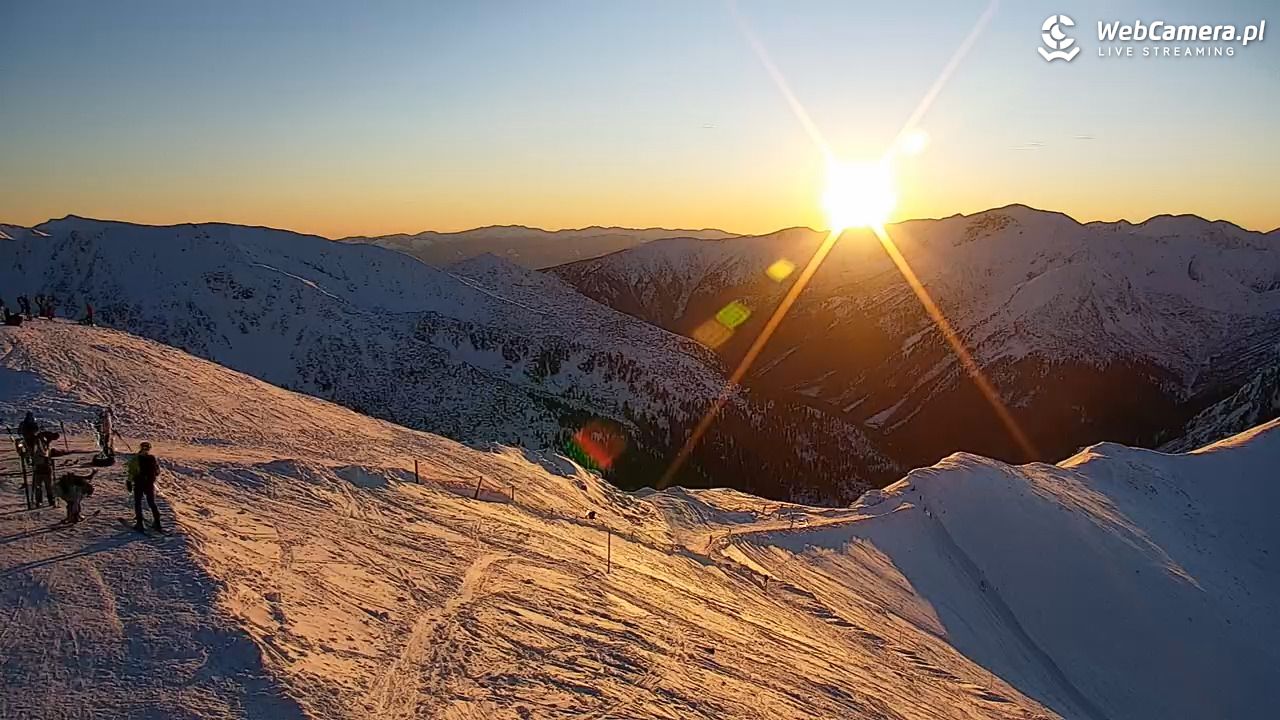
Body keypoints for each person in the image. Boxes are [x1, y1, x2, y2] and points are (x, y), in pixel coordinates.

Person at [127, 442, 162, 531]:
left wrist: (129, 482)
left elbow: (132, 471)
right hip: (149, 483)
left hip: (139, 483)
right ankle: (157, 523)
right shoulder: (152, 458)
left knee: (138, 502)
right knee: (151, 502)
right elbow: (157, 472)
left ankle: (139, 523)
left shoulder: (136, 459)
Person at [31, 443, 57, 508]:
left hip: (45, 471)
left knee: (48, 487)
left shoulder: (46, 450)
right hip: (38, 471)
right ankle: (39, 501)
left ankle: (51, 500)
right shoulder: (35, 449)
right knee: (38, 487)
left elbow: (45, 455)